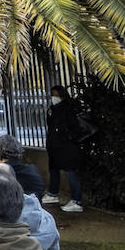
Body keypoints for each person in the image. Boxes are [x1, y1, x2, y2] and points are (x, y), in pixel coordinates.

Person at [43, 84, 85, 212]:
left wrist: (66, 138)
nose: (53, 97)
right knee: (54, 169)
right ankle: (53, 193)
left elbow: (72, 128)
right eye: (52, 95)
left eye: (55, 95)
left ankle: (77, 201)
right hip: (55, 146)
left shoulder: (67, 108)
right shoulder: (53, 109)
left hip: (65, 147)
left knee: (70, 172)